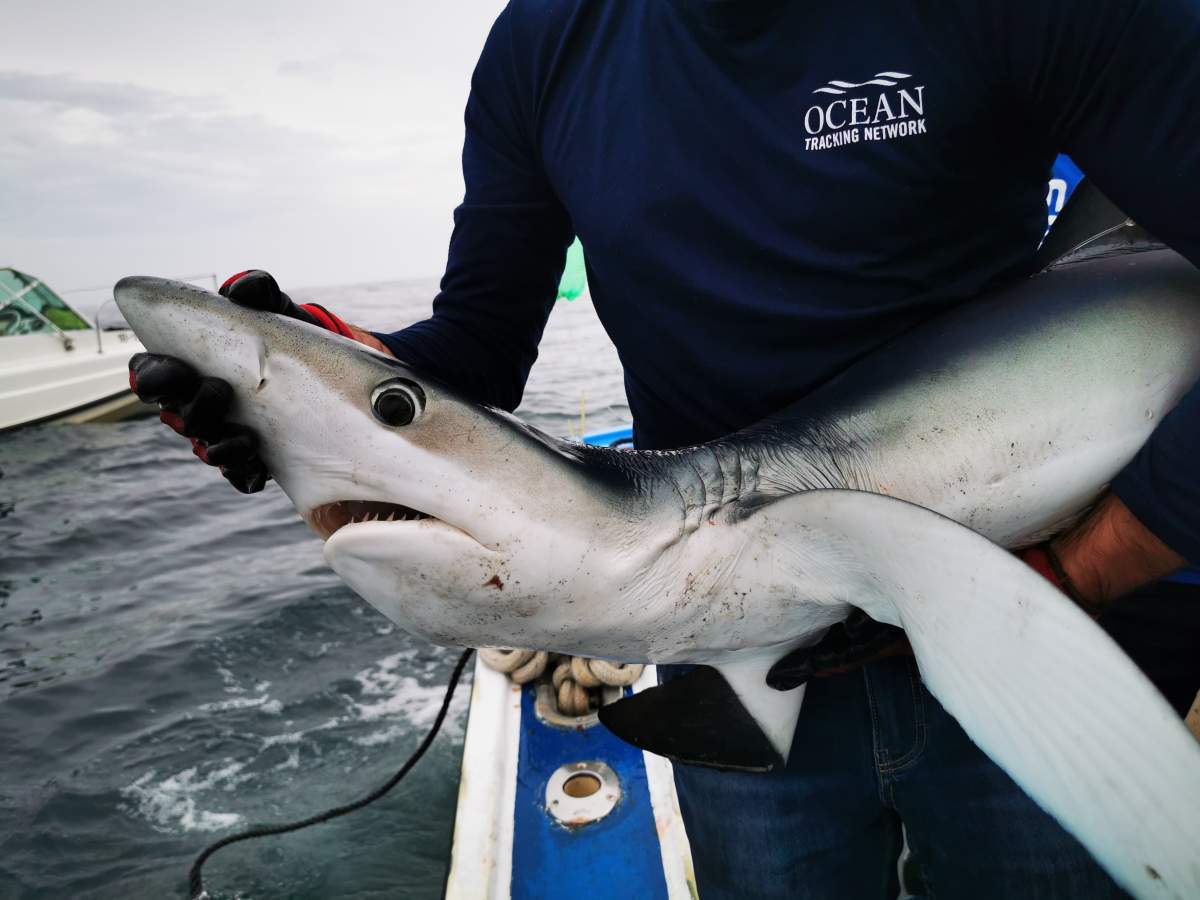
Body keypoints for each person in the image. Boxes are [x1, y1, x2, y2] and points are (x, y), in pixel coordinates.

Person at [130, 1, 1200, 896]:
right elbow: (479, 348)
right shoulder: (548, 46)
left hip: (1047, 592)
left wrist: (1094, 560)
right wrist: (326, 378)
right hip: (727, 639)